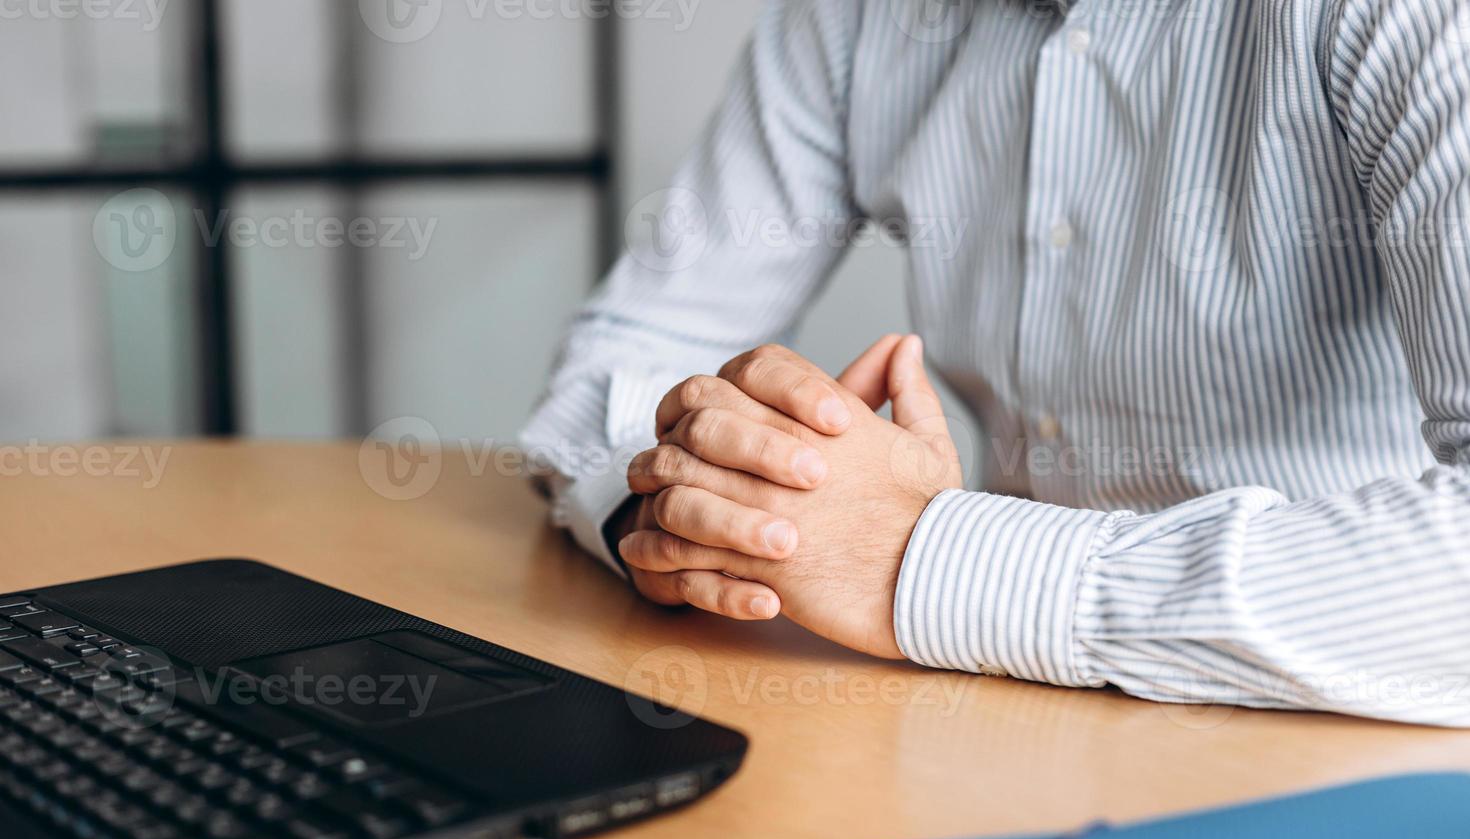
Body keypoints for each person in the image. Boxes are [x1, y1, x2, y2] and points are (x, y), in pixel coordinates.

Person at [521, 0, 1470, 725]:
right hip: (994, 724)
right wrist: (694, 519)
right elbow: (629, 353)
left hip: (1351, 743)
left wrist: (920, 560)